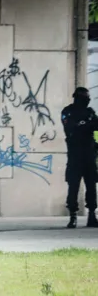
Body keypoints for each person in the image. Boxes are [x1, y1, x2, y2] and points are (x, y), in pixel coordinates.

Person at [61, 87, 98, 228]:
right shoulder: (67, 111)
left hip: (89, 155)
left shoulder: (90, 112)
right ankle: (73, 216)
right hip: (75, 155)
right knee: (73, 186)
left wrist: (84, 125)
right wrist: (86, 125)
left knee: (91, 186)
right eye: (85, 97)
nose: (87, 100)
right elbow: (70, 127)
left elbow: (95, 125)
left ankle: (92, 215)